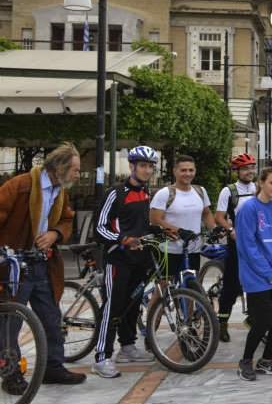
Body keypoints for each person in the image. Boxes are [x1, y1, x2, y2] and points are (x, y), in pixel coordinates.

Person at [0, 142, 86, 391]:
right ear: (59, 168)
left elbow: (67, 220)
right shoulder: (21, 186)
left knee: (51, 317)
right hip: (15, 264)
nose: (77, 174)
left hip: (42, 263)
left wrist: (55, 234)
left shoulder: (60, 191)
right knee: (10, 322)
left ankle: (53, 367)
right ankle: (11, 374)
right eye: (75, 169)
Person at [92, 145, 160, 378]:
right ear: (132, 166)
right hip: (118, 259)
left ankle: (128, 346)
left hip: (140, 258)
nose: (147, 170)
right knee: (113, 306)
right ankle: (102, 357)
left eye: (150, 166)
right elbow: (99, 229)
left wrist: (163, 231)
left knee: (133, 304)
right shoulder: (116, 193)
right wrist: (123, 240)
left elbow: (142, 225)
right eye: (143, 166)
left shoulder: (146, 193)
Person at [236, 166, 272, 381]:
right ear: (261, 182)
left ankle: (267, 360)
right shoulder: (248, 209)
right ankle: (246, 361)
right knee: (263, 320)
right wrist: (269, 274)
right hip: (257, 275)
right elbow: (248, 247)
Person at [214, 153, 258, 342]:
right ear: (237, 171)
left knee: (258, 283)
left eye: (252, 167)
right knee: (231, 286)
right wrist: (230, 229)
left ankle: (255, 318)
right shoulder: (229, 191)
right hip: (237, 243)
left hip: (256, 243)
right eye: (245, 168)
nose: (249, 171)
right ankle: (222, 322)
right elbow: (219, 217)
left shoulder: (257, 188)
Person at [149, 155, 215, 279]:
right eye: (183, 170)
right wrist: (179, 231)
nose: (188, 173)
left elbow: (206, 213)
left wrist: (214, 229)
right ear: (175, 171)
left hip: (193, 250)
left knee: (191, 287)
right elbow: (155, 220)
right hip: (169, 250)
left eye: (191, 170)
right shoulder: (165, 193)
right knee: (165, 287)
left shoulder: (200, 191)